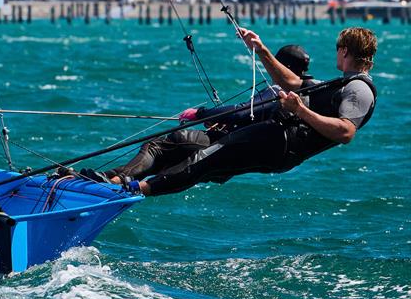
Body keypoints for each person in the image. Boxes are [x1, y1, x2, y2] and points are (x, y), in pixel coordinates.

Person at [135, 27, 377, 197]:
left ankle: (136, 190)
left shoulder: (358, 88)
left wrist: (300, 110)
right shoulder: (343, 83)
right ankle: (126, 184)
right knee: (205, 160)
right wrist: (260, 49)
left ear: (344, 51)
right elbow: (292, 83)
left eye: (337, 49)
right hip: (276, 138)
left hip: (281, 144)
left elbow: (345, 132)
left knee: (206, 159)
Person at [81, 44, 313, 187]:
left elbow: (241, 111)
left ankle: (114, 182)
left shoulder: (280, 92)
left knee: (160, 145)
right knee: (166, 158)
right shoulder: (305, 96)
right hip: (237, 155)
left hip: (225, 147)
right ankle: (104, 179)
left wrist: (200, 113)